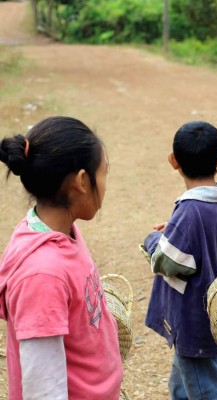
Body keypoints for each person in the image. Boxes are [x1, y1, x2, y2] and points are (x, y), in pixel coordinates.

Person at [0, 116, 123, 399]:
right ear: (81, 181)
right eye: (103, 173)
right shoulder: (42, 276)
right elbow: (43, 390)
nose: (104, 184)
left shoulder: (61, 230)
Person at [143, 120, 217, 400]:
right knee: (183, 383)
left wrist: (154, 241)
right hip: (210, 307)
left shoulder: (190, 208)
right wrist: (175, 229)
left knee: (208, 389)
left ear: (173, 161)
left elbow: (167, 262)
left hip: (193, 315)